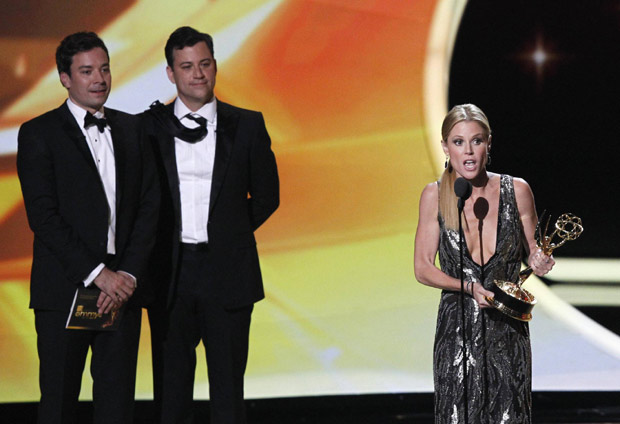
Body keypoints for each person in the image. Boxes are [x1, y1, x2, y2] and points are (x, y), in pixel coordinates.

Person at [16, 32, 159, 424]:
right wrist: (99, 275)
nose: (99, 79)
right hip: (65, 291)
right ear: (65, 78)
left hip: (122, 293)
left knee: (117, 406)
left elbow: (149, 206)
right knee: (59, 404)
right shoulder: (39, 133)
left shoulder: (133, 129)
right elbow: (43, 217)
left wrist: (127, 275)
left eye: (104, 69)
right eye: (86, 71)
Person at [143, 26, 279, 424]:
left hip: (228, 272)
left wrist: (228, 233)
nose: (197, 74)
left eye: (204, 64)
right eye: (187, 66)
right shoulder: (146, 127)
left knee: (228, 394)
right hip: (169, 274)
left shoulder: (247, 124)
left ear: (215, 66)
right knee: (170, 394)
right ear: (170, 73)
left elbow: (267, 196)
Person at [413, 104, 554, 423]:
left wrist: (541, 260)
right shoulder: (435, 196)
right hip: (457, 335)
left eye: (476, 141)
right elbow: (422, 268)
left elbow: (534, 251)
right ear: (445, 147)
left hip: (507, 333)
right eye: (458, 142)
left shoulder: (517, 191)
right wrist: (468, 287)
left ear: (489, 143)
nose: (468, 151)